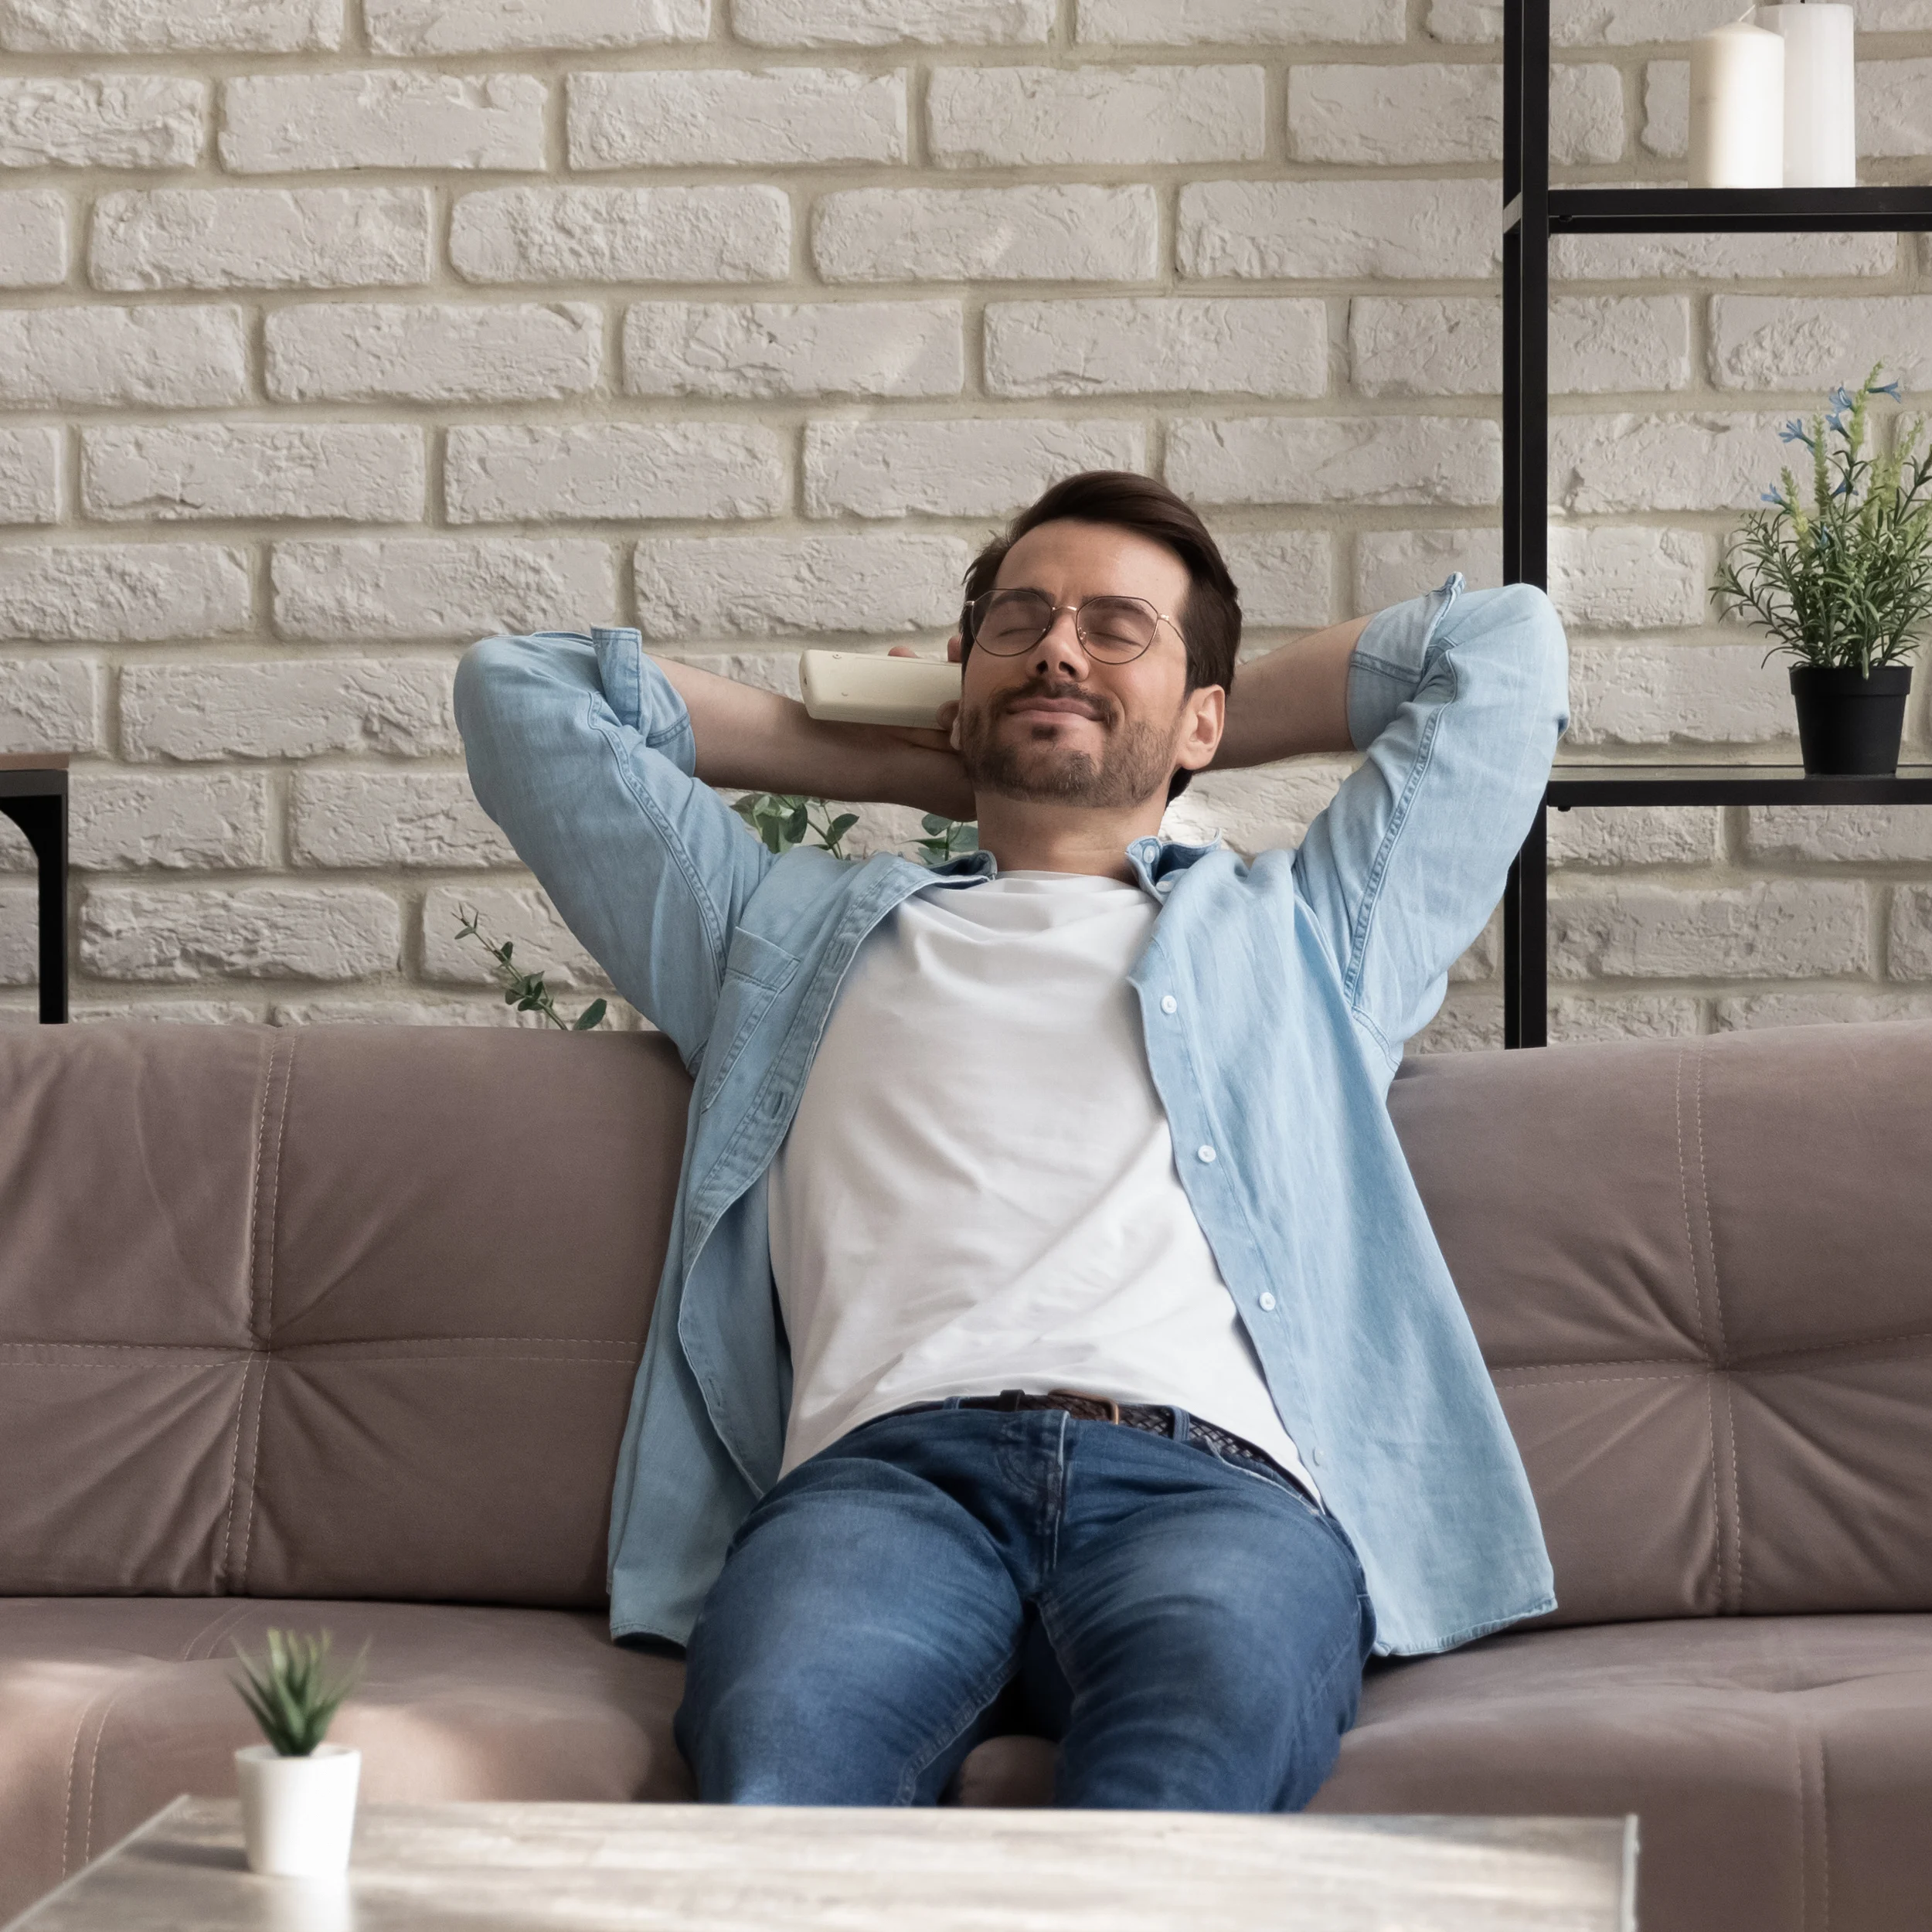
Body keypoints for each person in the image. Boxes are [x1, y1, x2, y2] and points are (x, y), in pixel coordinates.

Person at [454, 471, 1570, 1814]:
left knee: (1180, 1800)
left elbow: (1500, 652)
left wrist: (1146, 728)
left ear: (1207, 709)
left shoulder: (1308, 940)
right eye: (1021, 624)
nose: (1056, 645)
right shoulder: (775, 939)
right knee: (779, 1794)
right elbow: (524, 693)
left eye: (1116, 626)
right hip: (886, 1489)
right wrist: (893, 753)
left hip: (1210, 1496)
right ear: (956, 680)